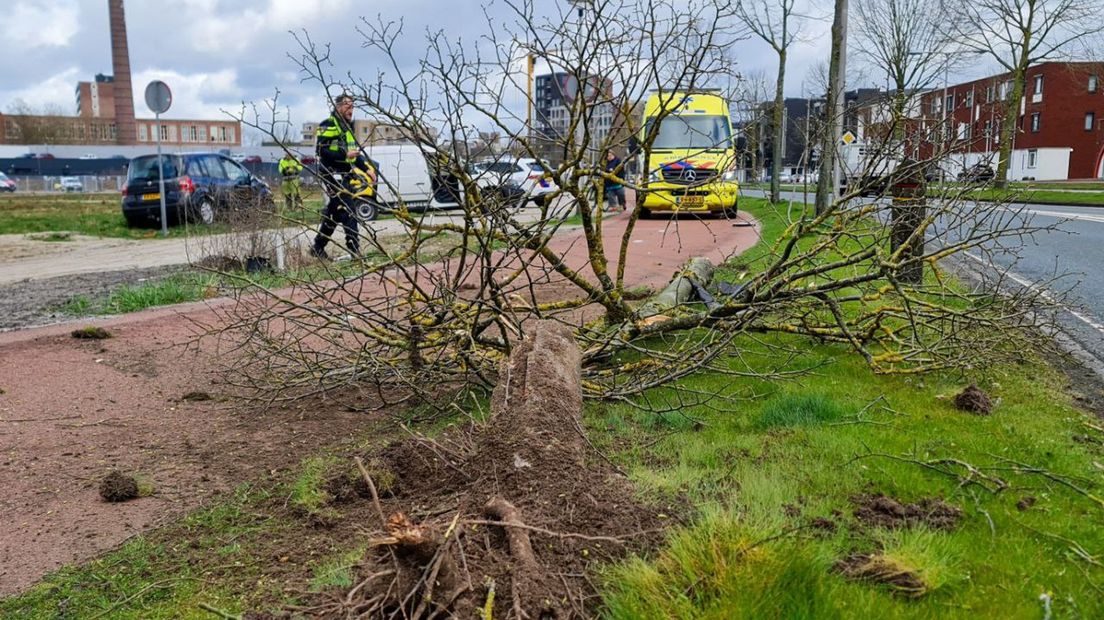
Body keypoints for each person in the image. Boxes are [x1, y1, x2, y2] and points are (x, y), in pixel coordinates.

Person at [311, 94, 364, 260]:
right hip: (331, 174)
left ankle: (318, 247)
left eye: (353, 106)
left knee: (335, 213)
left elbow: (353, 153)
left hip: (345, 175)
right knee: (349, 210)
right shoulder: (328, 124)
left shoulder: (348, 127)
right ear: (339, 106)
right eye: (348, 106)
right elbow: (321, 150)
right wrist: (344, 153)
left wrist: (365, 168)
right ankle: (354, 250)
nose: (351, 110)